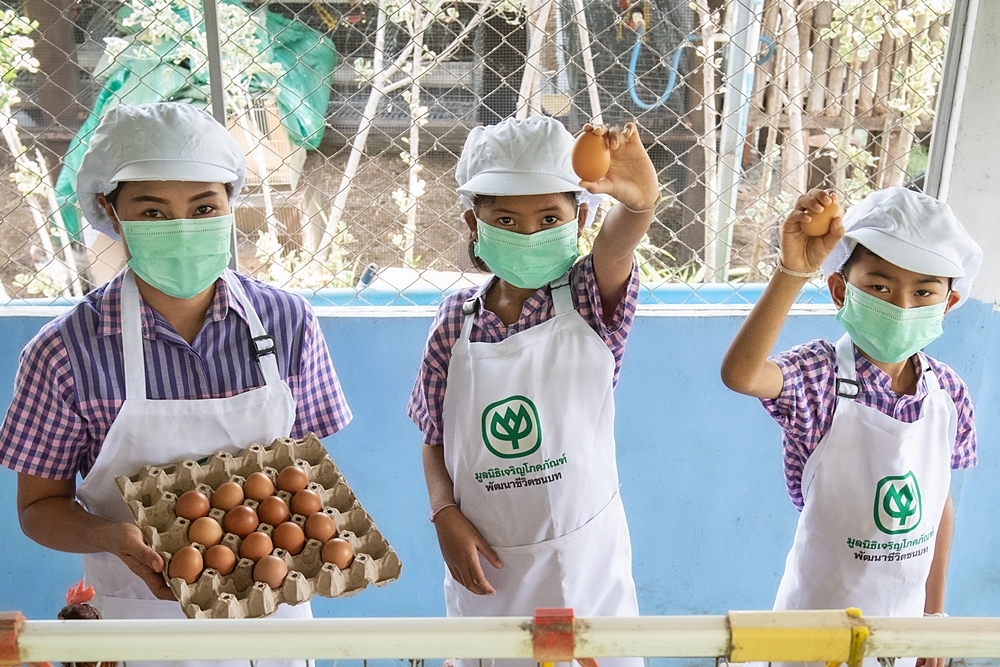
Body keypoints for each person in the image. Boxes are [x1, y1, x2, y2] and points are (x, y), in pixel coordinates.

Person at [0, 102, 351, 667]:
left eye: (204, 207)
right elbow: (38, 508)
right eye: (153, 211)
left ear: (230, 203)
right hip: (140, 624)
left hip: (273, 628)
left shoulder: (288, 324)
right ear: (112, 212)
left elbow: (304, 475)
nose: (183, 228)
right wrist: (110, 536)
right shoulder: (64, 352)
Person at [407, 115, 658, 667]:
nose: (528, 234)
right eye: (506, 219)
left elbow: (618, 246)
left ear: (580, 218)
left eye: (549, 218)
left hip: (583, 565)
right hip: (489, 567)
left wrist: (640, 204)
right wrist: (444, 512)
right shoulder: (454, 323)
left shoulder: (590, 299)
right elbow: (433, 435)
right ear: (474, 223)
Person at [720, 186, 981, 667]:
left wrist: (933, 615)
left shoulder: (949, 393)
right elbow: (742, 374)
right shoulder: (817, 377)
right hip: (810, 636)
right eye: (880, 287)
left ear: (947, 303)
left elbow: (937, 506)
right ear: (842, 290)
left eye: (923, 292)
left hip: (901, 636)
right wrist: (793, 271)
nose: (902, 306)